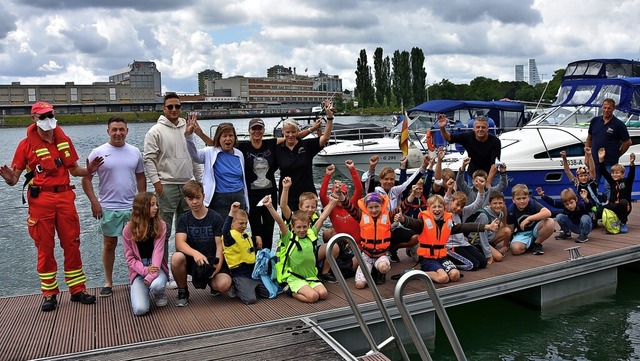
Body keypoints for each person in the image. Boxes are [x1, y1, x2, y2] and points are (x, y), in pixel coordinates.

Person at [0, 101, 103, 311]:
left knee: (72, 244)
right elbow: (15, 178)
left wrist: (90, 169)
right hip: (41, 201)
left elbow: (75, 170)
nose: (48, 119)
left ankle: (77, 290)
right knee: (44, 248)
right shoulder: (25, 145)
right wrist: (10, 179)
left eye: (50, 115)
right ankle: (49, 293)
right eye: (43, 116)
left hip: (65, 197)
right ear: (34, 119)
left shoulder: (64, 140)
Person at [82, 116, 146, 297]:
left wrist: (141, 201)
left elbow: (140, 176)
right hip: (108, 206)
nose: (118, 133)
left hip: (131, 207)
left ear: (127, 131)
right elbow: (86, 178)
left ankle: (137, 278)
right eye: (114, 129)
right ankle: (108, 282)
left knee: (137, 245)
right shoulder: (98, 152)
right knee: (109, 244)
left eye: (121, 129)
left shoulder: (134, 152)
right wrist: (94, 202)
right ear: (108, 131)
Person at [143, 92, 203, 286]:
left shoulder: (188, 129)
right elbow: (149, 159)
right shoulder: (155, 131)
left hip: (187, 184)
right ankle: (163, 274)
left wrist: (200, 182)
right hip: (166, 186)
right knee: (163, 233)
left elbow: (196, 157)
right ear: (164, 108)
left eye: (177, 106)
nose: (174, 110)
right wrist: (157, 184)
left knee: (187, 231)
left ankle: (188, 273)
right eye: (170, 107)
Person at [396, 195, 499, 284]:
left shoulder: (448, 222)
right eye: (434, 207)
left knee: (455, 275)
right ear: (429, 208)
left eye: (440, 206)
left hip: (442, 257)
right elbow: (411, 222)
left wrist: (487, 227)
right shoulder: (422, 222)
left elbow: (464, 227)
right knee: (443, 278)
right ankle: (415, 274)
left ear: (444, 208)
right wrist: (403, 219)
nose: (437, 209)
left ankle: (438, 271)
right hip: (427, 258)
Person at [264, 193, 337, 303]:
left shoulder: (311, 233)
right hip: (295, 277)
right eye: (298, 227)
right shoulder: (288, 237)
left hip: (310, 276)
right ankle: (291, 291)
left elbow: (322, 218)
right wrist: (269, 206)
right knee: (313, 297)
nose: (302, 230)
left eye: (304, 227)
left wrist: (332, 203)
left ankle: (308, 286)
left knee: (323, 294)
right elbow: (279, 221)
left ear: (308, 226)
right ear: (292, 227)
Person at [171, 180, 231, 307]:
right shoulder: (184, 218)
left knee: (224, 285)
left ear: (203, 196)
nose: (194, 202)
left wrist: (217, 268)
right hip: (194, 261)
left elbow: (220, 245)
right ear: (186, 200)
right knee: (176, 258)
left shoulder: (215, 217)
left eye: (198, 197)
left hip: (212, 260)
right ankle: (183, 291)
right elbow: (180, 243)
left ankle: (213, 284)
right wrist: (195, 253)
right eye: (190, 199)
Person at [275, 99, 334, 212]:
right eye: (287, 132)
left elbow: (325, 138)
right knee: (289, 229)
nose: (290, 135)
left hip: (308, 198)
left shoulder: (307, 145)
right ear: (283, 132)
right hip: (288, 198)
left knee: (311, 229)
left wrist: (330, 118)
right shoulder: (278, 148)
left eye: (293, 132)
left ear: (298, 132)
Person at [185, 121, 249, 220]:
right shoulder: (209, 152)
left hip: (239, 196)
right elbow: (195, 155)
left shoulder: (239, 154)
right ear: (219, 138)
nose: (228, 139)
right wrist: (189, 137)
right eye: (224, 136)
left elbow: (242, 178)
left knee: (238, 229)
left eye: (231, 135)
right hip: (219, 199)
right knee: (221, 230)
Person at [280, 177, 339, 283]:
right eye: (307, 207)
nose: (310, 210)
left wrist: (333, 201)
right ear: (300, 206)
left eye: (313, 207)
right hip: (294, 256)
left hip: (310, 252)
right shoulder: (293, 217)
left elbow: (323, 217)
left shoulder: (314, 218)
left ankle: (324, 273)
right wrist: (285, 188)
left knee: (333, 247)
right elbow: (283, 206)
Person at [340, 192, 405, 288]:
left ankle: (380, 272)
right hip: (366, 255)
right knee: (359, 285)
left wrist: (412, 196)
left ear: (381, 206)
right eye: (370, 207)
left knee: (383, 267)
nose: (374, 210)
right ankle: (370, 271)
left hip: (382, 255)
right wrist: (340, 195)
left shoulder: (388, 216)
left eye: (376, 206)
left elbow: (403, 207)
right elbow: (348, 207)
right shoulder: (361, 216)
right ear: (366, 207)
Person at [122, 192, 169, 316]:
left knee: (157, 285)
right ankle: (139, 291)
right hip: (139, 270)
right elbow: (130, 258)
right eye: (152, 205)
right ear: (142, 207)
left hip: (155, 266)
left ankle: (158, 293)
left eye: (156, 204)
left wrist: (150, 276)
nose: (156, 208)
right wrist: (144, 271)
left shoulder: (161, 225)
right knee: (140, 310)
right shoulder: (128, 229)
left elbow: (158, 253)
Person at [221, 202, 270, 305]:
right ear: (232, 224)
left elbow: (246, 243)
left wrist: (257, 237)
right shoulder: (229, 237)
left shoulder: (244, 234)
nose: (244, 226)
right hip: (240, 273)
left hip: (252, 271)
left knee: (269, 293)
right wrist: (232, 212)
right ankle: (237, 287)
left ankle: (251, 288)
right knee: (250, 300)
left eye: (245, 223)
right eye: (241, 223)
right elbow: (224, 231)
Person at [586, 98, 632, 198]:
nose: (606, 110)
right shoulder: (595, 121)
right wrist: (587, 157)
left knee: (609, 187)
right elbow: (589, 138)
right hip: (594, 161)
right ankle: (593, 208)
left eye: (609, 108)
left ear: (614, 108)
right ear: (602, 107)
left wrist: (618, 153)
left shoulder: (619, 124)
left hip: (610, 162)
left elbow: (628, 142)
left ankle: (609, 208)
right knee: (592, 185)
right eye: (605, 108)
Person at [438, 113, 501, 185]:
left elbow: (495, 164)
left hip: (491, 176)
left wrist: (488, 183)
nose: (480, 129)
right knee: (471, 196)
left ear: (487, 128)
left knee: (494, 196)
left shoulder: (495, 141)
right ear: (474, 128)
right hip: (473, 176)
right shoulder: (468, 137)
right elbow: (449, 138)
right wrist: (442, 128)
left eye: (483, 127)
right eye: (478, 127)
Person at [506, 184, 555, 256]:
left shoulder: (532, 203)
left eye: (524, 198)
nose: (522, 201)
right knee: (515, 250)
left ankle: (537, 243)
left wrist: (528, 219)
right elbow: (510, 229)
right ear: (513, 200)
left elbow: (547, 213)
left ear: (528, 198)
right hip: (522, 233)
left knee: (550, 222)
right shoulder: (511, 210)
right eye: (518, 199)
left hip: (536, 230)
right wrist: (506, 244)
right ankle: (529, 244)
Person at [560, 148, 604, 223]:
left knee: (591, 218)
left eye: (585, 175)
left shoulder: (592, 182)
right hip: (581, 205)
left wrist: (589, 155)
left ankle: (593, 219)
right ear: (578, 177)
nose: (583, 178)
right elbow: (567, 171)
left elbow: (592, 170)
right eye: (581, 176)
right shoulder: (577, 183)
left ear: (588, 175)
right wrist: (564, 158)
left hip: (592, 205)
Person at [466, 191, 510, 263]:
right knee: (499, 257)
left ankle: (490, 247)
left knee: (507, 230)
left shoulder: (501, 213)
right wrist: (488, 255)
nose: (498, 206)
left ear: (504, 204)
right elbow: (482, 237)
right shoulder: (483, 215)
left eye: (500, 203)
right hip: (477, 241)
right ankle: (483, 251)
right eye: (495, 203)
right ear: (490, 204)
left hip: (488, 236)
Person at [598, 148, 635, 233]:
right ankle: (594, 222)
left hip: (625, 207)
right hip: (613, 206)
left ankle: (623, 223)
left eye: (617, 173)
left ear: (622, 174)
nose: (614, 174)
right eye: (613, 173)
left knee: (623, 202)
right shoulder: (612, 182)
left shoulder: (627, 182)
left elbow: (631, 174)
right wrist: (601, 160)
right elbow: (604, 172)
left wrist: (632, 163)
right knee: (598, 210)